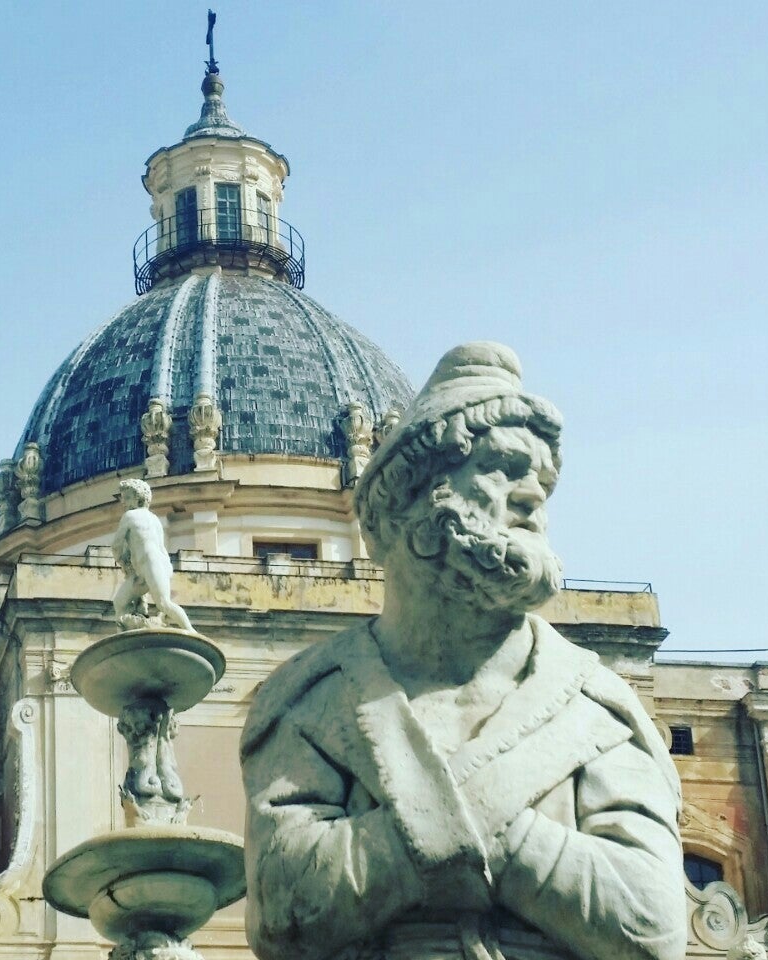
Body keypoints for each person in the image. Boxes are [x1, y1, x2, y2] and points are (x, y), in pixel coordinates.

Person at [240, 343, 686, 960]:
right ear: (411, 502)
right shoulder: (308, 702)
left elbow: (651, 923)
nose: (533, 497)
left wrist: (444, 824)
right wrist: (503, 823)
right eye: (503, 466)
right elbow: (282, 915)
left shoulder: (600, 710)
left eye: (543, 480)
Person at [112, 479, 194, 633]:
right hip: (150, 567)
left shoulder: (129, 516)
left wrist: (123, 561)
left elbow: (116, 545)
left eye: (127, 497)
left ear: (138, 497)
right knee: (119, 602)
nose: (123, 502)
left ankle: (191, 631)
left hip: (150, 564)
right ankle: (127, 636)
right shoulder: (155, 520)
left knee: (163, 603)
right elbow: (161, 547)